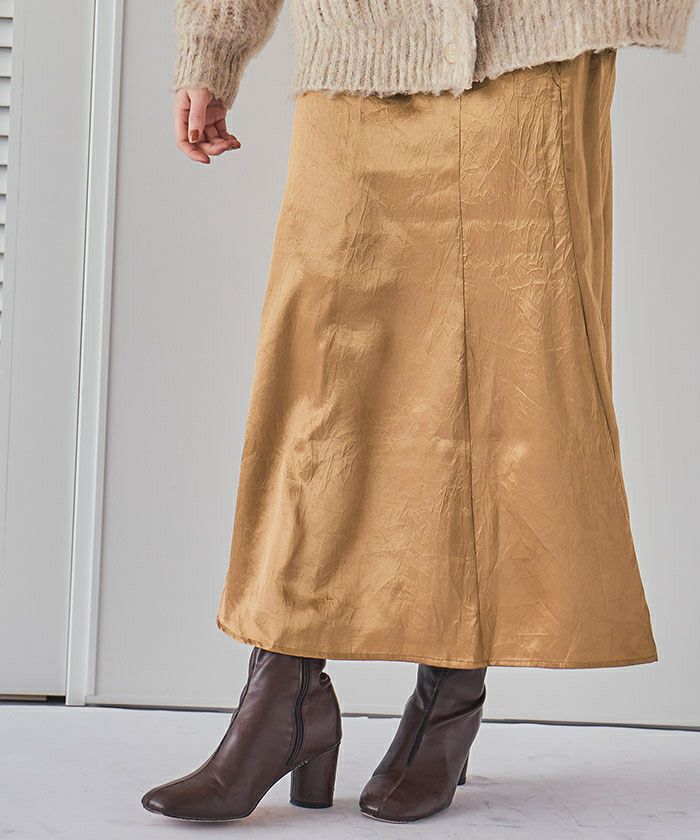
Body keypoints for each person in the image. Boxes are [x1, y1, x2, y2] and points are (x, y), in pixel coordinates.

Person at [141, 0, 696, 825]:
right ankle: (285, 693)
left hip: (535, 41)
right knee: (320, 381)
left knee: (508, 373)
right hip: (357, 39)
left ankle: (450, 694)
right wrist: (211, 47)